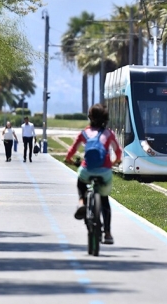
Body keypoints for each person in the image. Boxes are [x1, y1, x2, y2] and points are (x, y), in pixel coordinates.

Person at [65, 103, 122, 245]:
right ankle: (107, 233)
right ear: (105, 118)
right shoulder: (109, 133)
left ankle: (81, 202)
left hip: (87, 169)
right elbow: (119, 152)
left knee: (81, 182)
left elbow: (71, 150)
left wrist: (69, 160)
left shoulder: (85, 133)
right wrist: (114, 162)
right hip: (105, 171)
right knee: (104, 201)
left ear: (90, 117)